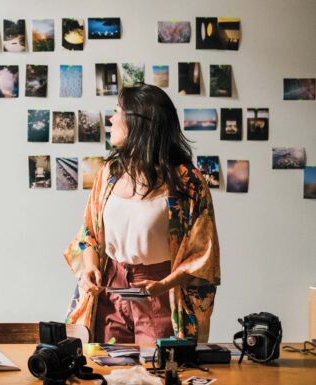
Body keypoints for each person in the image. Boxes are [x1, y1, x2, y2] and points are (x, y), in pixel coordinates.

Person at [63, 84, 220, 343]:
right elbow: (88, 233)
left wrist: (165, 284)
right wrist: (90, 267)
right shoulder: (109, 173)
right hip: (109, 290)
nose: (111, 118)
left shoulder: (186, 181)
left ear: (139, 121)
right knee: (105, 369)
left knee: (158, 372)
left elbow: (203, 254)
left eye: (118, 111)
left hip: (160, 293)